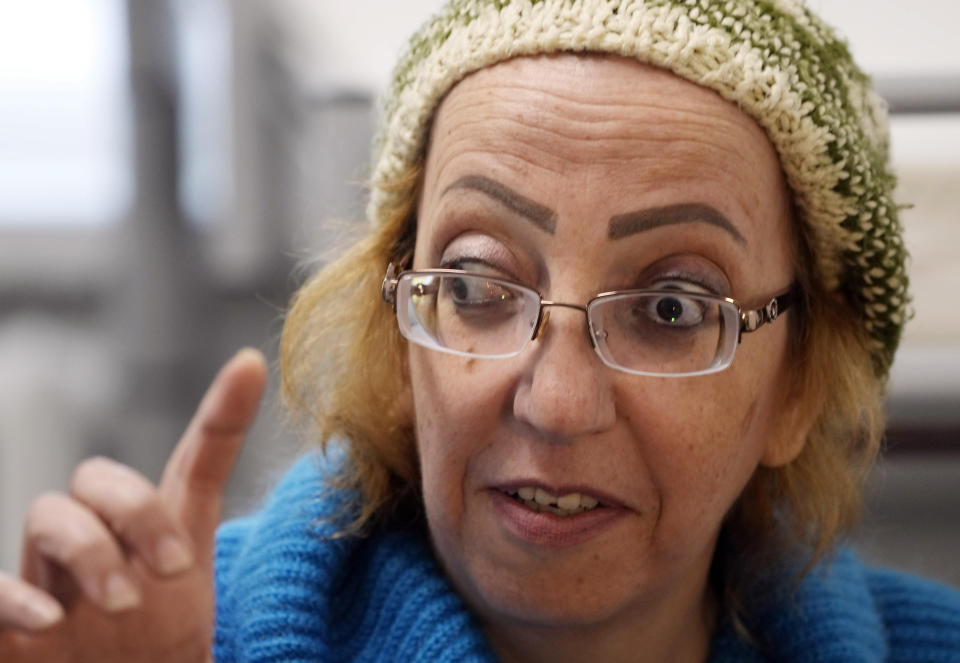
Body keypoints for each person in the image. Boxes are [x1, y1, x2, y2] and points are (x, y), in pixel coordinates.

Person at [2, 0, 959, 661]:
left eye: (672, 310)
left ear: (795, 387)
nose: (558, 402)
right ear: (398, 329)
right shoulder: (175, 635)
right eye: (476, 284)